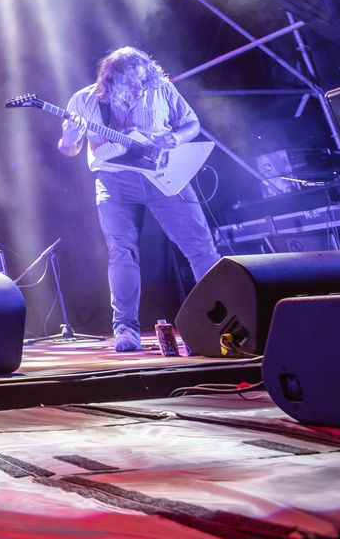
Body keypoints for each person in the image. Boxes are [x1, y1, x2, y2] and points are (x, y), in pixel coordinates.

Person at [57, 46, 220, 351]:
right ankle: (125, 330)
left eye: (141, 82)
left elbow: (191, 123)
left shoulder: (159, 89)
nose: (137, 89)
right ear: (110, 78)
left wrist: (177, 137)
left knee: (201, 247)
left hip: (164, 176)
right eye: (130, 84)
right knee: (122, 252)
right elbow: (70, 150)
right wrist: (68, 136)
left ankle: (225, 315)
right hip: (114, 181)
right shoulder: (84, 100)